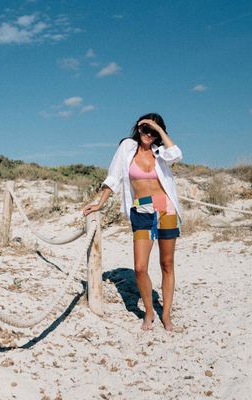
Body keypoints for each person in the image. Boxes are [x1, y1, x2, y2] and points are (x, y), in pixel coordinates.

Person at [83, 113, 183, 331]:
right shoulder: (127, 148)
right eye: (145, 129)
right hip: (142, 209)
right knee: (139, 267)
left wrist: (159, 129)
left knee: (167, 264)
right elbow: (114, 177)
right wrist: (100, 203)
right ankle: (149, 312)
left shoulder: (162, 152)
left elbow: (176, 155)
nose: (148, 134)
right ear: (138, 129)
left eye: (153, 131)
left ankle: (166, 314)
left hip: (165, 207)